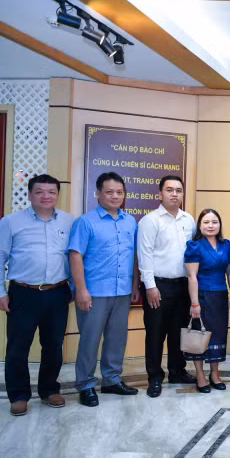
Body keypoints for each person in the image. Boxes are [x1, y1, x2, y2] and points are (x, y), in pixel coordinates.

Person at [0, 174, 74, 416]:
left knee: (54, 345)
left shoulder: (69, 222)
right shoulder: (11, 222)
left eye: (51, 192)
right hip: (23, 293)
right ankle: (18, 395)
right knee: (18, 346)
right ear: (29, 195)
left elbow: (75, 256)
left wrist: (73, 287)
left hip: (57, 293)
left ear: (58, 195)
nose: (46, 196)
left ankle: (49, 389)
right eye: (39, 192)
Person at [69, 172, 140, 407]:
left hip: (122, 291)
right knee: (90, 340)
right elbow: (75, 256)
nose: (115, 196)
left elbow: (134, 256)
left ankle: (111, 379)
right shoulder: (85, 222)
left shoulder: (130, 221)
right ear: (98, 193)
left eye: (120, 192)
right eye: (109, 192)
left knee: (117, 339)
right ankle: (86, 384)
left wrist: (134, 285)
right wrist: (81, 290)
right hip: (94, 292)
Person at [137, 175, 196, 398]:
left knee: (178, 332)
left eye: (178, 190)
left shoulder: (188, 220)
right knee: (155, 333)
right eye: (169, 190)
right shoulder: (150, 221)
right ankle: (154, 377)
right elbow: (144, 255)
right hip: (158, 286)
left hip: (182, 286)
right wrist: (150, 286)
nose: (174, 194)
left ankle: (177, 371)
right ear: (160, 193)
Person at [184, 209, 230, 393]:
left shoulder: (226, 245)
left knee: (218, 335)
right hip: (202, 296)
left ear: (220, 225)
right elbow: (192, 277)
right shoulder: (194, 246)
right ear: (199, 225)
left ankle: (214, 373)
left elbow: (229, 273)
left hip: (220, 297)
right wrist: (194, 303)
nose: (210, 226)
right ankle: (200, 375)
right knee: (199, 335)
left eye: (214, 222)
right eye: (206, 222)